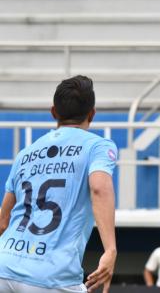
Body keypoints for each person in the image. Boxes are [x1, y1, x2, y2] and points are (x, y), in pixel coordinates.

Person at [0, 75, 117, 293]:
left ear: (54, 112)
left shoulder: (25, 153)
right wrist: (110, 250)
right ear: (92, 113)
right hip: (52, 275)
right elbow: (99, 188)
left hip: (4, 266)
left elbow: (2, 221)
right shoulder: (97, 147)